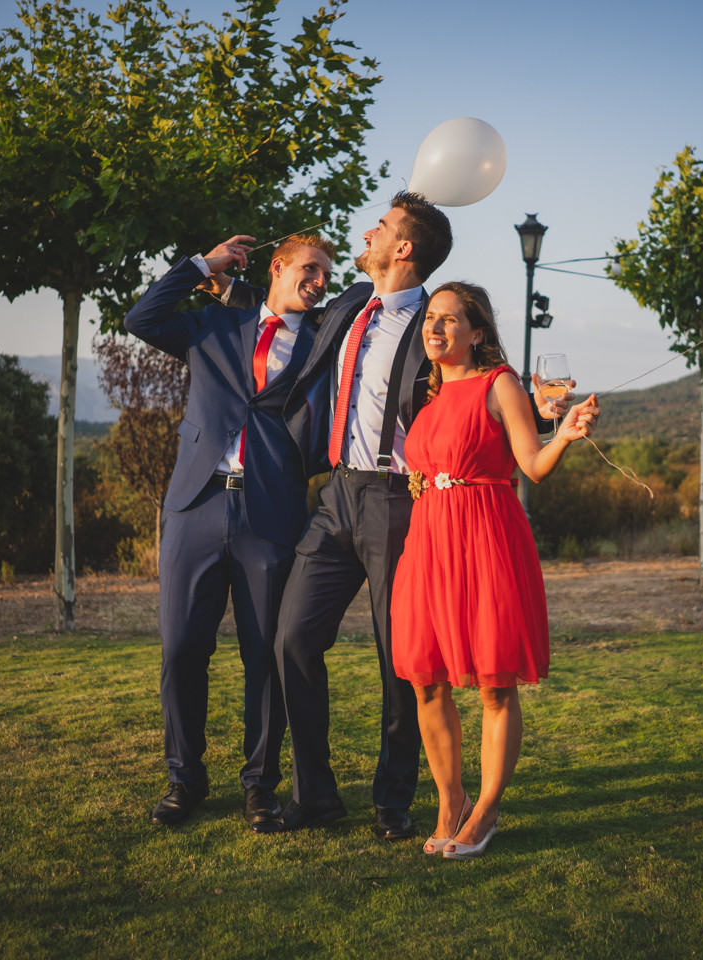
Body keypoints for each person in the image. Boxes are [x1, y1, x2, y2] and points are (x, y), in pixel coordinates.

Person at [220, 193, 569, 840]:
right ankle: (316, 796)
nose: (368, 231)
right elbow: (289, 316)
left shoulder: (436, 321)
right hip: (332, 496)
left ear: (403, 248)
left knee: (403, 659)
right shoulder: (351, 303)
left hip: (401, 498)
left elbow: (485, 389)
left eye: (379, 226)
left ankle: (396, 800)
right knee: (292, 639)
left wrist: (551, 417)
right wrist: (228, 284)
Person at [122, 233, 336, 833]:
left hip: (271, 515)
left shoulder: (324, 343)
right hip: (195, 504)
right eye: (310, 268)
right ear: (278, 267)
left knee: (263, 656)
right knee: (181, 649)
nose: (320, 280)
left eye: (326, 273)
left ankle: (259, 788)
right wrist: (201, 266)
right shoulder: (214, 324)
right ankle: (183, 778)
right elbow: (142, 318)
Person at [390, 281, 599, 859]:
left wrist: (567, 434)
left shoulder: (499, 383)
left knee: (493, 683)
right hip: (428, 542)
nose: (435, 328)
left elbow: (531, 465)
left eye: (449, 320)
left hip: (485, 538)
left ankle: (486, 808)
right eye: (431, 318)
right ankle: (449, 799)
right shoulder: (426, 398)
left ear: (476, 333)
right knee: (425, 679)